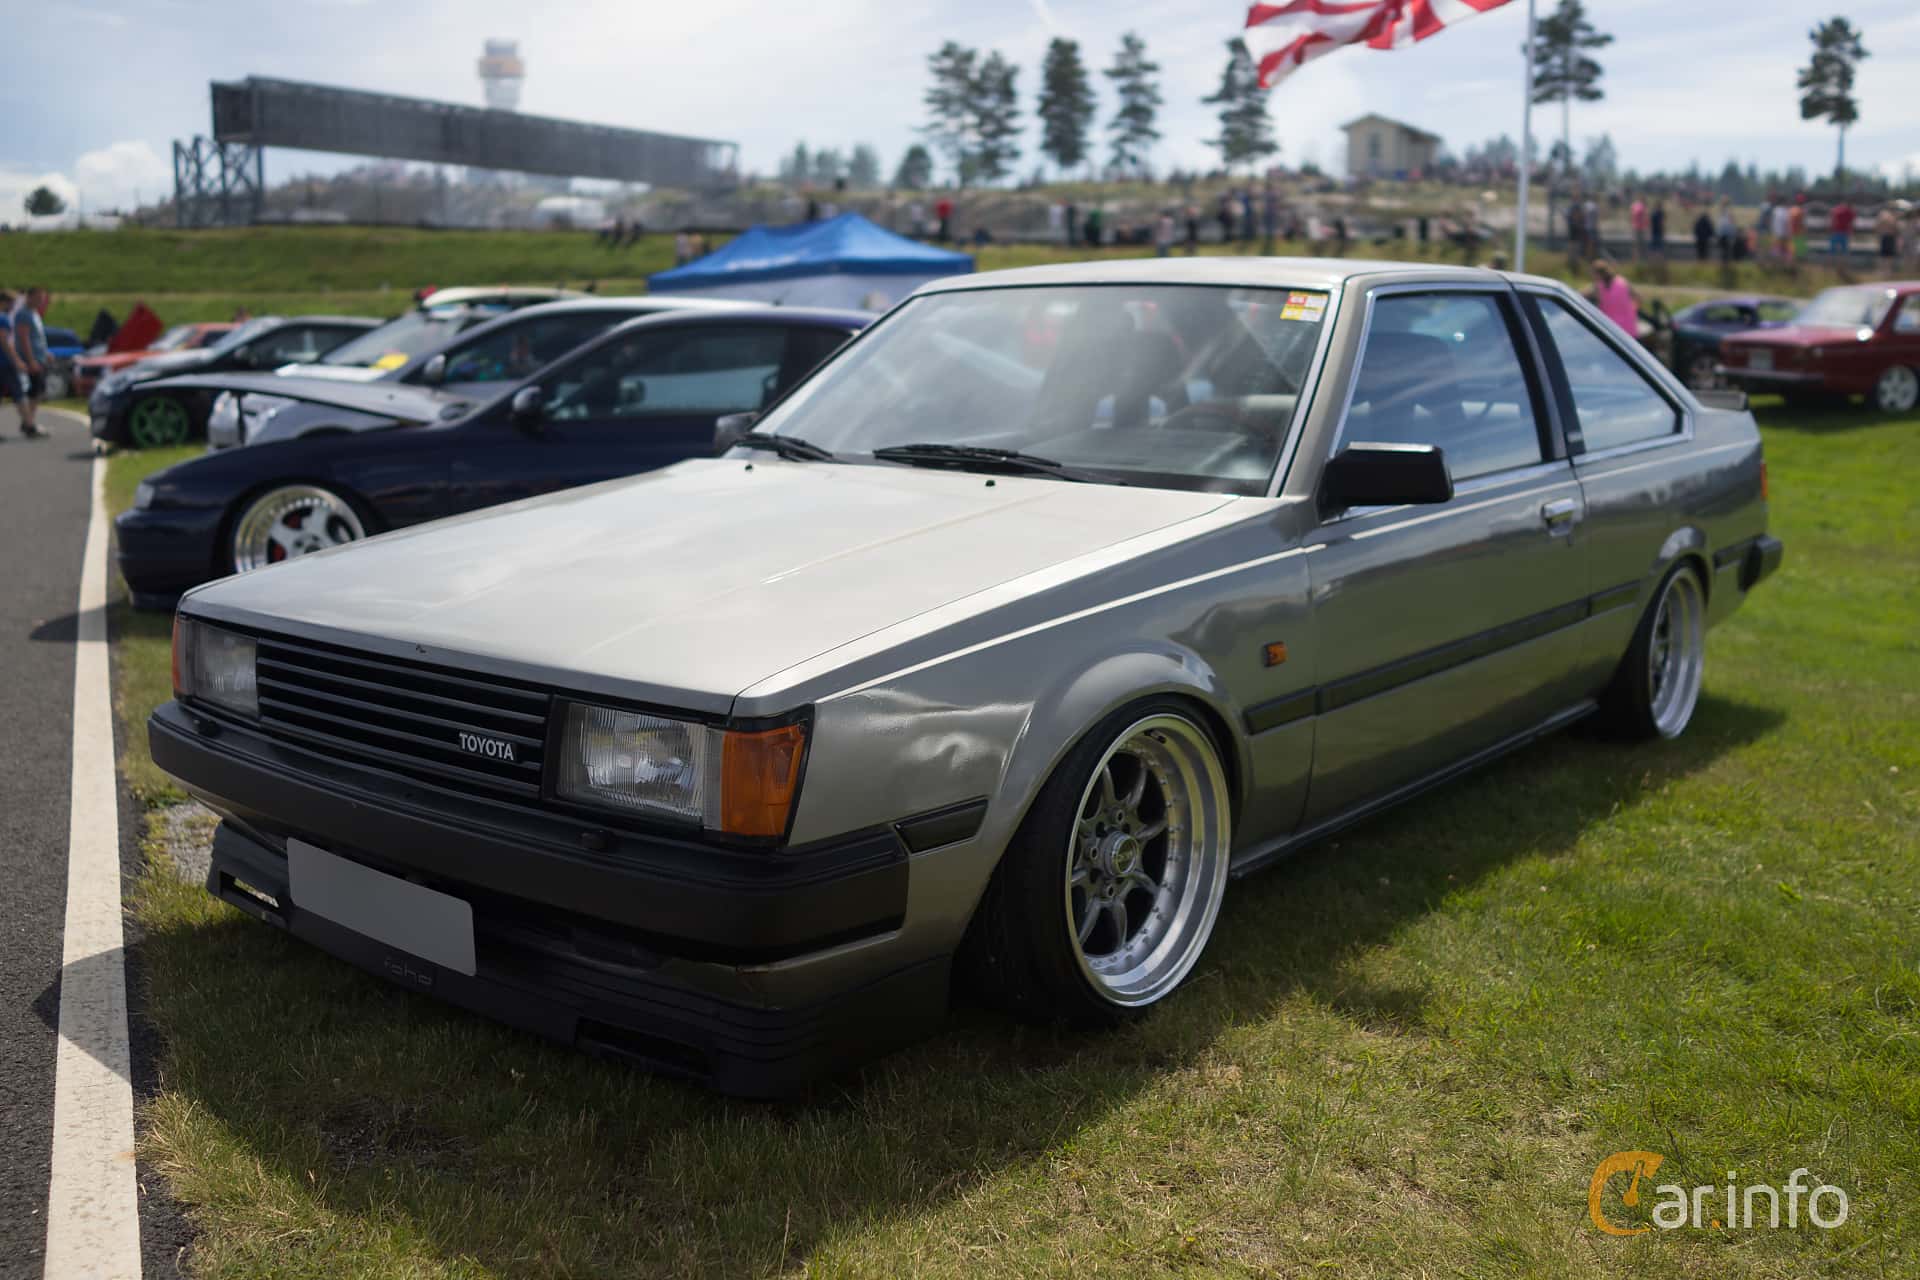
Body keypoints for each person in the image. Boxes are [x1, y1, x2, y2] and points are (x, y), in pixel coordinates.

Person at [9, 285, 50, 437]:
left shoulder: (34, 313)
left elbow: (37, 337)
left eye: (42, 299)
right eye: (38, 298)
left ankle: (28, 421)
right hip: (32, 359)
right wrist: (31, 360)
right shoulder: (24, 314)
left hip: (39, 357)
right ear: (29, 297)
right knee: (34, 391)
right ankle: (29, 423)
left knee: (38, 391)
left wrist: (45, 352)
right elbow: (24, 338)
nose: (41, 301)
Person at [1590, 259, 1638, 336]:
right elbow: (1637, 297)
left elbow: (1581, 295)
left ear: (1597, 274)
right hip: (1629, 329)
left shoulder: (1599, 287)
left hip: (1613, 331)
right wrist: (1632, 310)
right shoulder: (1623, 282)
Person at [1876, 203, 1900, 276]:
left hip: (1890, 236)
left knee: (1889, 255)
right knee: (1883, 254)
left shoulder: (1893, 215)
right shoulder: (1884, 214)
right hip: (1885, 236)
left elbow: (1895, 227)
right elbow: (1879, 225)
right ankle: (1882, 270)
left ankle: (1887, 270)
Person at [1630, 195, 1648, 260]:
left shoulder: (1634, 205)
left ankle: (1636, 258)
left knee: (1636, 244)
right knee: (1641, 244)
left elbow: (1632, 215)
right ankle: (1640, 258)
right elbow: (1643, 217)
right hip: (1640, 228)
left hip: (1635, 226)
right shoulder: (1642, 207)